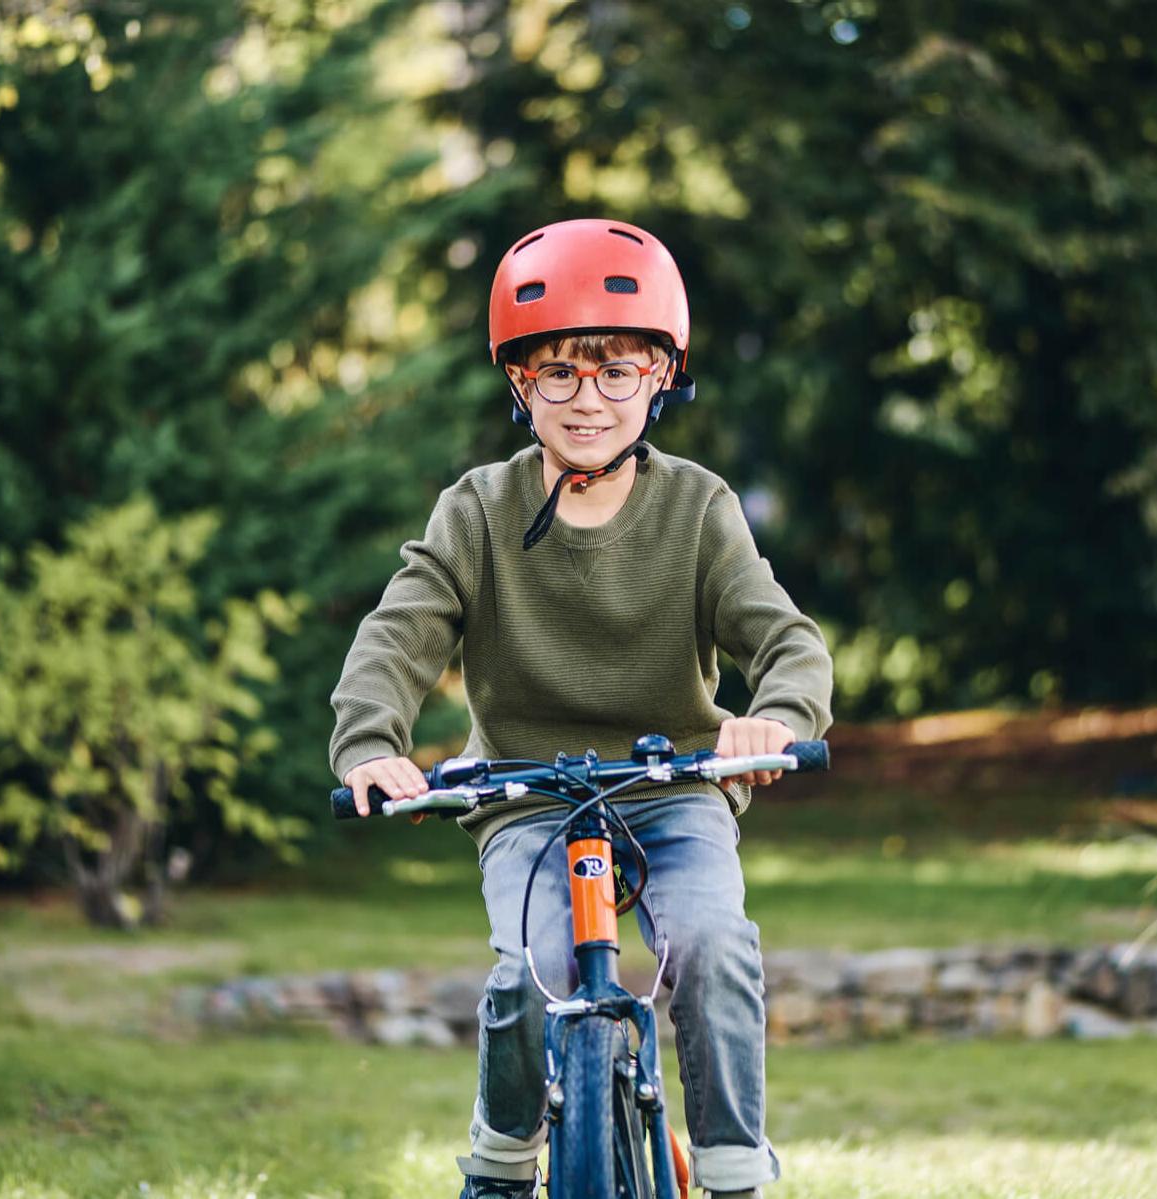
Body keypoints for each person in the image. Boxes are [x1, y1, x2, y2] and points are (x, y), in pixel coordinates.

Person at [329, 218, 834, 1199]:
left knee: (711, 941)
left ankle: (733, 1168)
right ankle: (503, 1155)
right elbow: (398, 636)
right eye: (556, 371)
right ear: (519, 384)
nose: (587, 398)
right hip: (524, 795)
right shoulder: (476, 509)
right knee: (532, 968)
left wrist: (776, 715)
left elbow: (787, 639)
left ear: (661, 376)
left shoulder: (696, 507)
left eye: (615, 370)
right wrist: (369, 746)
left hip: (673, 786)